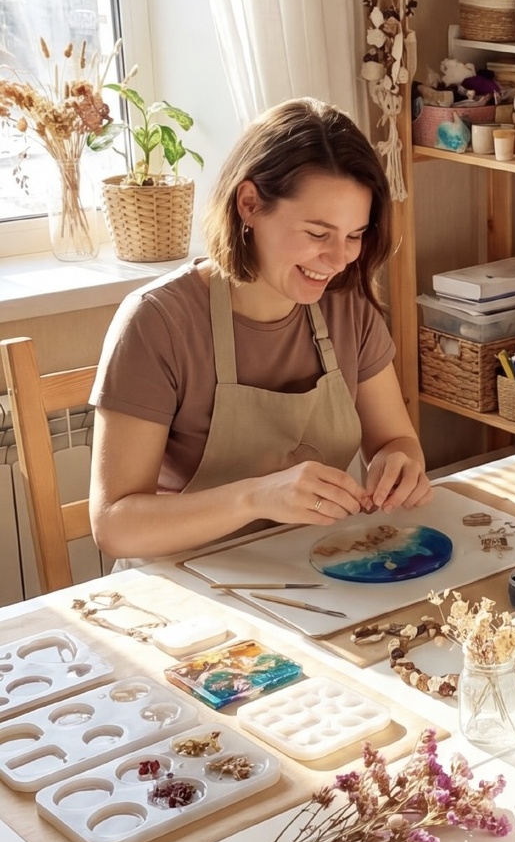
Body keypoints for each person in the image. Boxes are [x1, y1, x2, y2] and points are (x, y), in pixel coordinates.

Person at [88, 97, 431, 560]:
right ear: (249, 204)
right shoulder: (156, 321)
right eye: (317, 233)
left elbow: (395, 441)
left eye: (354, 235)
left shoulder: (346, 303)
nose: (338, 259)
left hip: (317, 567)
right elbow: (115, 526)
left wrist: (399, 464)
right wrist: (257, 496)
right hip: (185, 582)